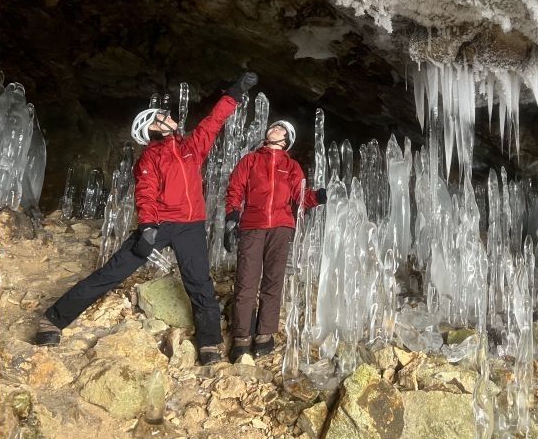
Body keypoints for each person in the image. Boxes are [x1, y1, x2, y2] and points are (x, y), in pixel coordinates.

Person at [35, 72, 258, 365]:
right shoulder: (150, 159)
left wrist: (234, 93)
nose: (169, 117)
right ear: (153, 128)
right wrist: (148, 225)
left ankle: (209, 345)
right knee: (112, 272)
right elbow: (146, 193)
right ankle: (52, 320)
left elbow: (212, 123)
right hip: (159, 224)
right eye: (162, 117)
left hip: (190, 226)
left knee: (200, 284)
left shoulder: (190, 149)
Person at [223, 119, 326, 362]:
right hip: (253, 225)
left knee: (273, 281)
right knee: (246, 280)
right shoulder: (250, 160)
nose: (275, 128)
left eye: (281, 129)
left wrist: (319, 197)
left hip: (281, 227)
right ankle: (242, 336)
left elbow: (301, 197)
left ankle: (265, 333)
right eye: (273, 127)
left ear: (286, 140)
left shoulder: (291, 166)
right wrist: (231, 217)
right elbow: (235, 189)